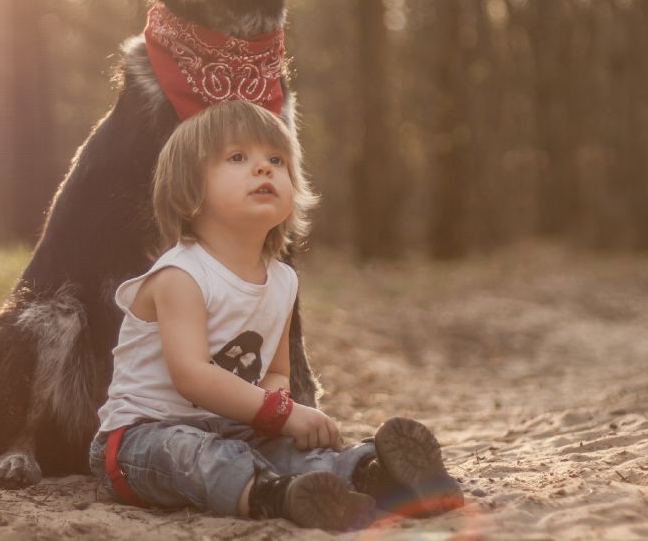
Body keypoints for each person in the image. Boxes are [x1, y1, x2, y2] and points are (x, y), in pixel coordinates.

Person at [88, 100, 464, 530]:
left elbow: (276, 372)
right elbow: (191, 376)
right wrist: (282, 415)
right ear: (188, 189)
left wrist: (282, 412)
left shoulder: (282, 281)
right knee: (198, 455)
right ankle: (276, 496)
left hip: (237, 428)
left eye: (276, 160)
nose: (264, 169)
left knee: (289, 452)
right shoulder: (181, 276)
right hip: (140, 441)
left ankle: (378, 476)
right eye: (237, 157)